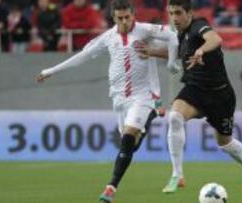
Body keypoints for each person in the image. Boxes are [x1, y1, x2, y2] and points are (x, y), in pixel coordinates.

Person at [35, 1, 179, 202]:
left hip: (141, 95)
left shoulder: (145, 30)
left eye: (127, 17)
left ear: (132, 15)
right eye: (120, 18)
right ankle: (150, 117)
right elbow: (82, 57)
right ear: (114, 18)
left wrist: (171, 63)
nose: (124, 21)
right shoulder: (108, 37)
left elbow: (172, 36)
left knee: (128, 138)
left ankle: (111, 187)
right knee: (130, 146)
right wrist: (51, 71)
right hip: (119, 98)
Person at [138, 0, 242, 194]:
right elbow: (176, 53)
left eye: (178, 13)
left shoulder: (198, 26)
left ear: (189, 13)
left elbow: (215, 39)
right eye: (171, 13)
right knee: (175, 117)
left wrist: (201, 50)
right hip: (195, 90)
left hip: (220, 95)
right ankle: (177, 175)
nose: (174, 18)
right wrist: (150, 52)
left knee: (225, 143)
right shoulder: (179, 36)